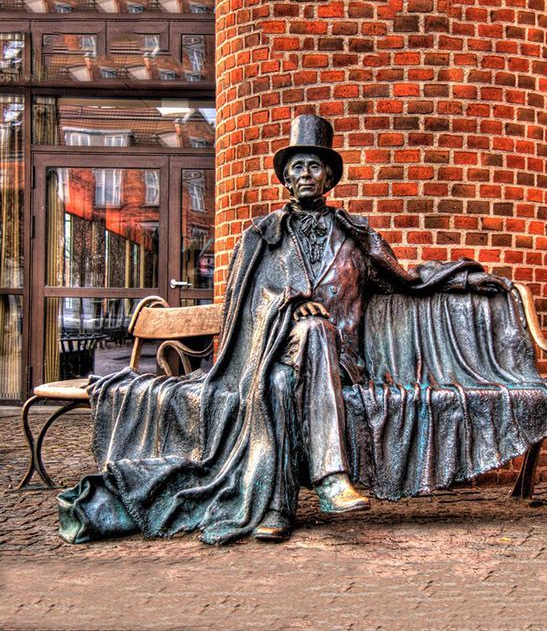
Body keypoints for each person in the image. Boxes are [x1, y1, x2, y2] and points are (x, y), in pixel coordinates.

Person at [57, 116, 522, 546]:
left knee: (302, 356)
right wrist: (290, 306)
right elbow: (243, 308)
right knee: (289, 361)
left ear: (329, 179)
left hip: (341, 367)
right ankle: (318, 484)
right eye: (296, 167)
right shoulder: (261, 236)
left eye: (314, 167)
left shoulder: (357, 236)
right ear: (284, 178)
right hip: (268, 355)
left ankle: (277, 505)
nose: (304, 174)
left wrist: (466, 278)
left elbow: (408, 279)